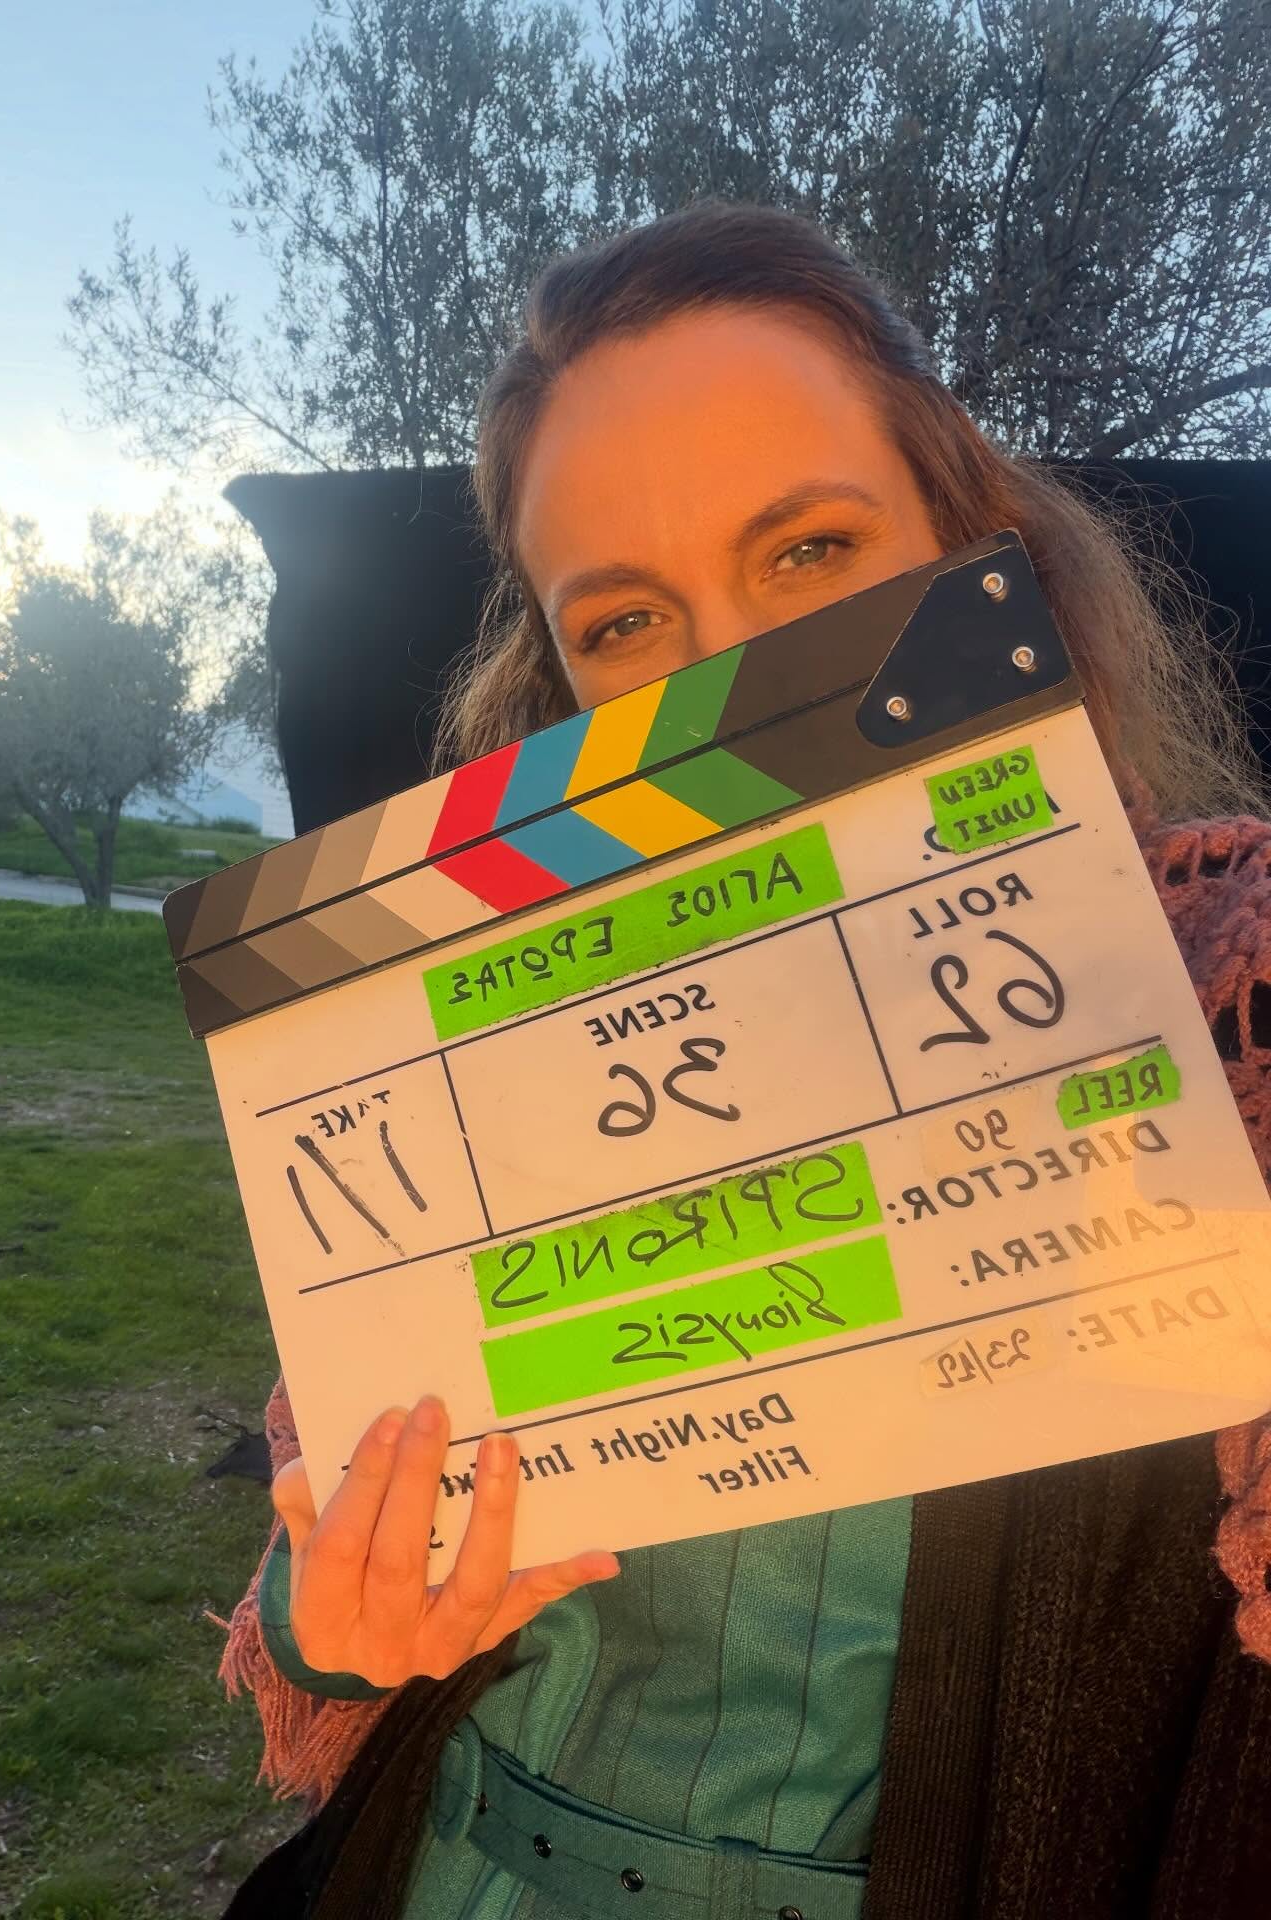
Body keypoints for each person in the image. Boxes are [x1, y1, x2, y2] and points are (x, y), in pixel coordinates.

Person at [217, 201, 1271, 1920]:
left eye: (810, 552)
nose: (744, 674)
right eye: (626, 622)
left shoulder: (1230, 988)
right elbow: (319, 1560)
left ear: (975, 542)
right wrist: (333, 1617)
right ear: (561, 680)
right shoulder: (466, 1034)